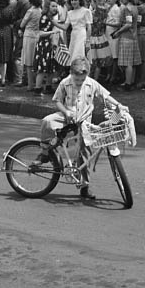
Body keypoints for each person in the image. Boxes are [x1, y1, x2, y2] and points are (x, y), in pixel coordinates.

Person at [36, 57, 124, 200]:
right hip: (66, 116)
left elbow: (106, 96)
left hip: (84, 121)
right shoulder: (65, 83)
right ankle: (45, 153)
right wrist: (66, 112)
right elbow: (57, 101)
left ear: (87, 75)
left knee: (85, 151)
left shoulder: (91, 84)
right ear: (71, 74)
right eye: (76, 80)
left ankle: (84, 187)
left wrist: (120, 106)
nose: (79, 83)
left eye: (82, 80)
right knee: (47, 121)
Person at [20, 0, 43, 92]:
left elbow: (22, 24)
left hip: (29, 35)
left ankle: (30, 84)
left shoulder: (31, 11)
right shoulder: (40, 10)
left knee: (28, 61)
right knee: (36, 60)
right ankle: (36, 82)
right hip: (37, 35)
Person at [64, 0, 92, 64]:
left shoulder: (86, 11)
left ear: (79, 1)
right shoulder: (70, 13)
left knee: (79, 54)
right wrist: (53, 21)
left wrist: (88, 40)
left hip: (82, 34)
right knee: (73, 55)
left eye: (75, 0)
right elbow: (65, 27)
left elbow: (89, 27)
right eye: (72, 0)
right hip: (73, 35)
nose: (73, 2)